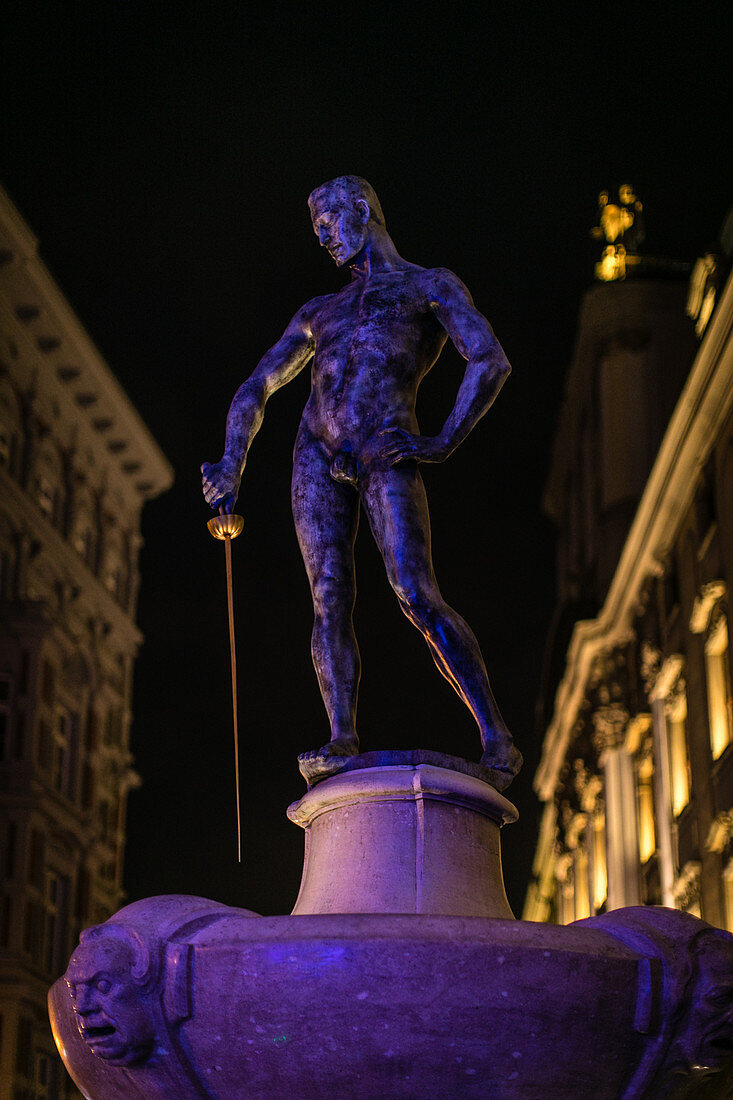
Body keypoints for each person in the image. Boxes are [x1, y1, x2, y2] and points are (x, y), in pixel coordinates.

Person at [202, 176, 521, 789]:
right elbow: (257, 386)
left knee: (414, 590)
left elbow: (490, 359)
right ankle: (342, 736)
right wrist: (229, 462)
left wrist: (443, 440)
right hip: (315, 450)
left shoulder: (428, 286)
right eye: (315, 230)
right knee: (327, 595)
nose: (322, 238)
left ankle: (496, 737)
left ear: (362, 210)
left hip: (385, 443)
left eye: (327, 222)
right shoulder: (319, 311)